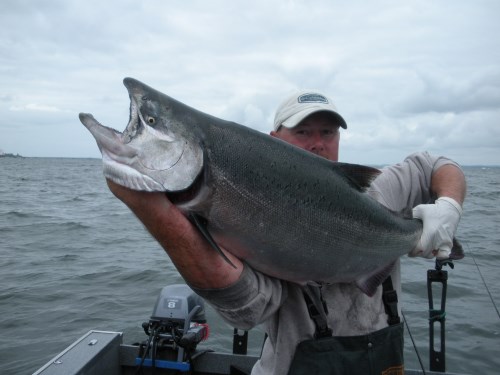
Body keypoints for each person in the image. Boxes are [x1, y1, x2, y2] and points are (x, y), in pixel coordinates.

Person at [107, 89, 466, 375]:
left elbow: (435, 164)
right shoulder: (248, 219)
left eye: (327, 132)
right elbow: (246, 311)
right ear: (273, 139)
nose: (318, 143)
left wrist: (448, 207)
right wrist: (156, 214)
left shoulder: (380, 192)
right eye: (303, 131)